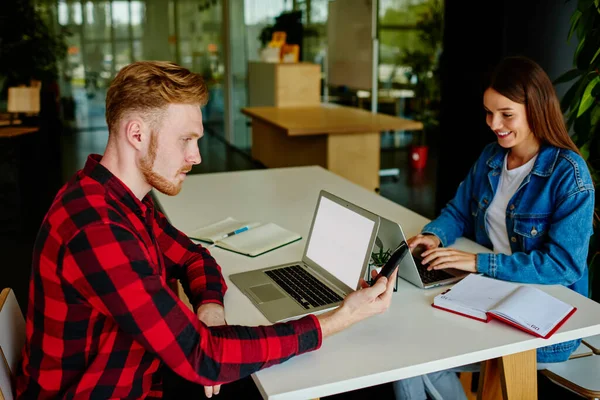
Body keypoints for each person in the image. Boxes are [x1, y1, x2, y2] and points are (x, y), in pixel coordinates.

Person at [15, 61, 398, 399]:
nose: (196, 156)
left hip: (138, 373)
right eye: (186, 140)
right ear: (136, 134)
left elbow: (194, 256)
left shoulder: (120, 199)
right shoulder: (97, 228)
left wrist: (210, 310)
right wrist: (338, 320)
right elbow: (204, 357)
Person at [393, 55, 595, 400]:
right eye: (489, 112)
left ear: (536, 109)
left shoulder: (569, 175)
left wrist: (476, 263)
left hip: (547, 314)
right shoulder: (491, 157)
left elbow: (564, 267)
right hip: (490, 290)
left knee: (416, 357)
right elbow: (458, 211)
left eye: (506, 114)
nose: (493, 123)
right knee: (402, 345)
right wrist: (433, 235)